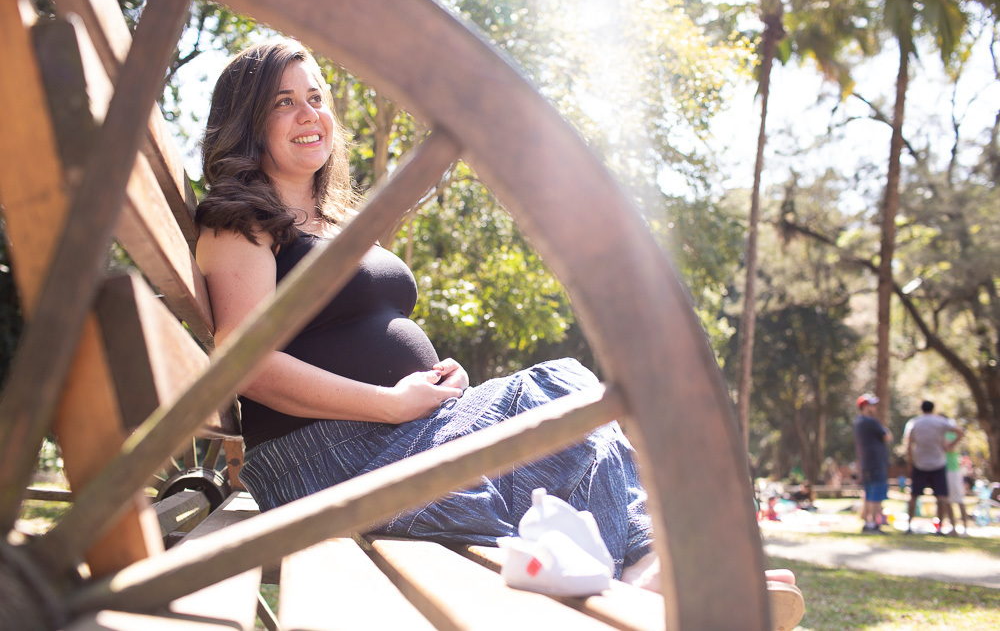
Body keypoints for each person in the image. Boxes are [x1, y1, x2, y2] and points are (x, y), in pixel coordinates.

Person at [193, 38, 798, 605]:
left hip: (391, 436)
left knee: (569, 400)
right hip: (330, 459)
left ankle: (652, 568)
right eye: (284, 102)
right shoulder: (240, 222)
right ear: (249, 122)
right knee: (561, 389)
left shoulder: (329, 223)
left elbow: (347, 335)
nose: (309, 115)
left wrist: (424, 385)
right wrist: (390, 401)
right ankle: (651, 575)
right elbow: (245, 364)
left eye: (316, 98)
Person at [902, 400, 964, 534]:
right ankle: (940, 528)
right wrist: (951, 445)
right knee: (941, 496)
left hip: (920, 463)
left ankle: (909, 526)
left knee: (914, 495)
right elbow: (960, 431)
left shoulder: (914, 423)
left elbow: (908, 444)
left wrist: (910, 462)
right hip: (938, 463)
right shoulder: (940, 422)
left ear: (921, 409)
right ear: (933, 409)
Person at [853, 393, 892, 533]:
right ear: (865, 406)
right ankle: (874, 523)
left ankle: (869, 522)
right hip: (876, 463)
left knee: (869, 493)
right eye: (872, 405)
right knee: (876, 493)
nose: (874, 407)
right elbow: (887, 436)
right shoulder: (871, 422)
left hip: (866, 464)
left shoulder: (858, 422)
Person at [944, 429, 969, 534]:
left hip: (952, 470)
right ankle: (953, 528)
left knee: (959, 499)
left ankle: (965, 528)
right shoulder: (940, 434)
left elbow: (950, 448)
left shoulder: (950, 434)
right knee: (946, 500)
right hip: (942, 470)